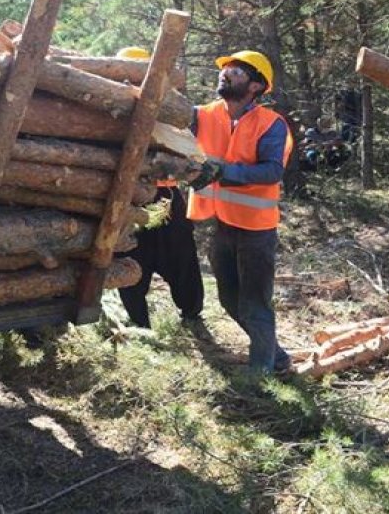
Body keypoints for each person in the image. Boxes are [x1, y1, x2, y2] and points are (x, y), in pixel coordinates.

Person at [187, 50, 294, 375]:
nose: (226, 74)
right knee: (228, 299)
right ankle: (277, 357)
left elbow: (271, 172)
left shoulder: (271, 125)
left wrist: (226, 171)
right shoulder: (202, 114)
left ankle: (261, 374)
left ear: (256, 86)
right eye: (226, 69)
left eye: (237, 71)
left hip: (256, 230)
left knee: (255, 303)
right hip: (221, 223)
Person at [112, 46, 205, 330]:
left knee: (179, 257)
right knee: (129, 255)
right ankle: (139, 322)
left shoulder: (169, 113)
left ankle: (191, 313)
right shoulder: (108, 110)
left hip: (163, 199)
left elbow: (192, 155)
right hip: (125, 200)